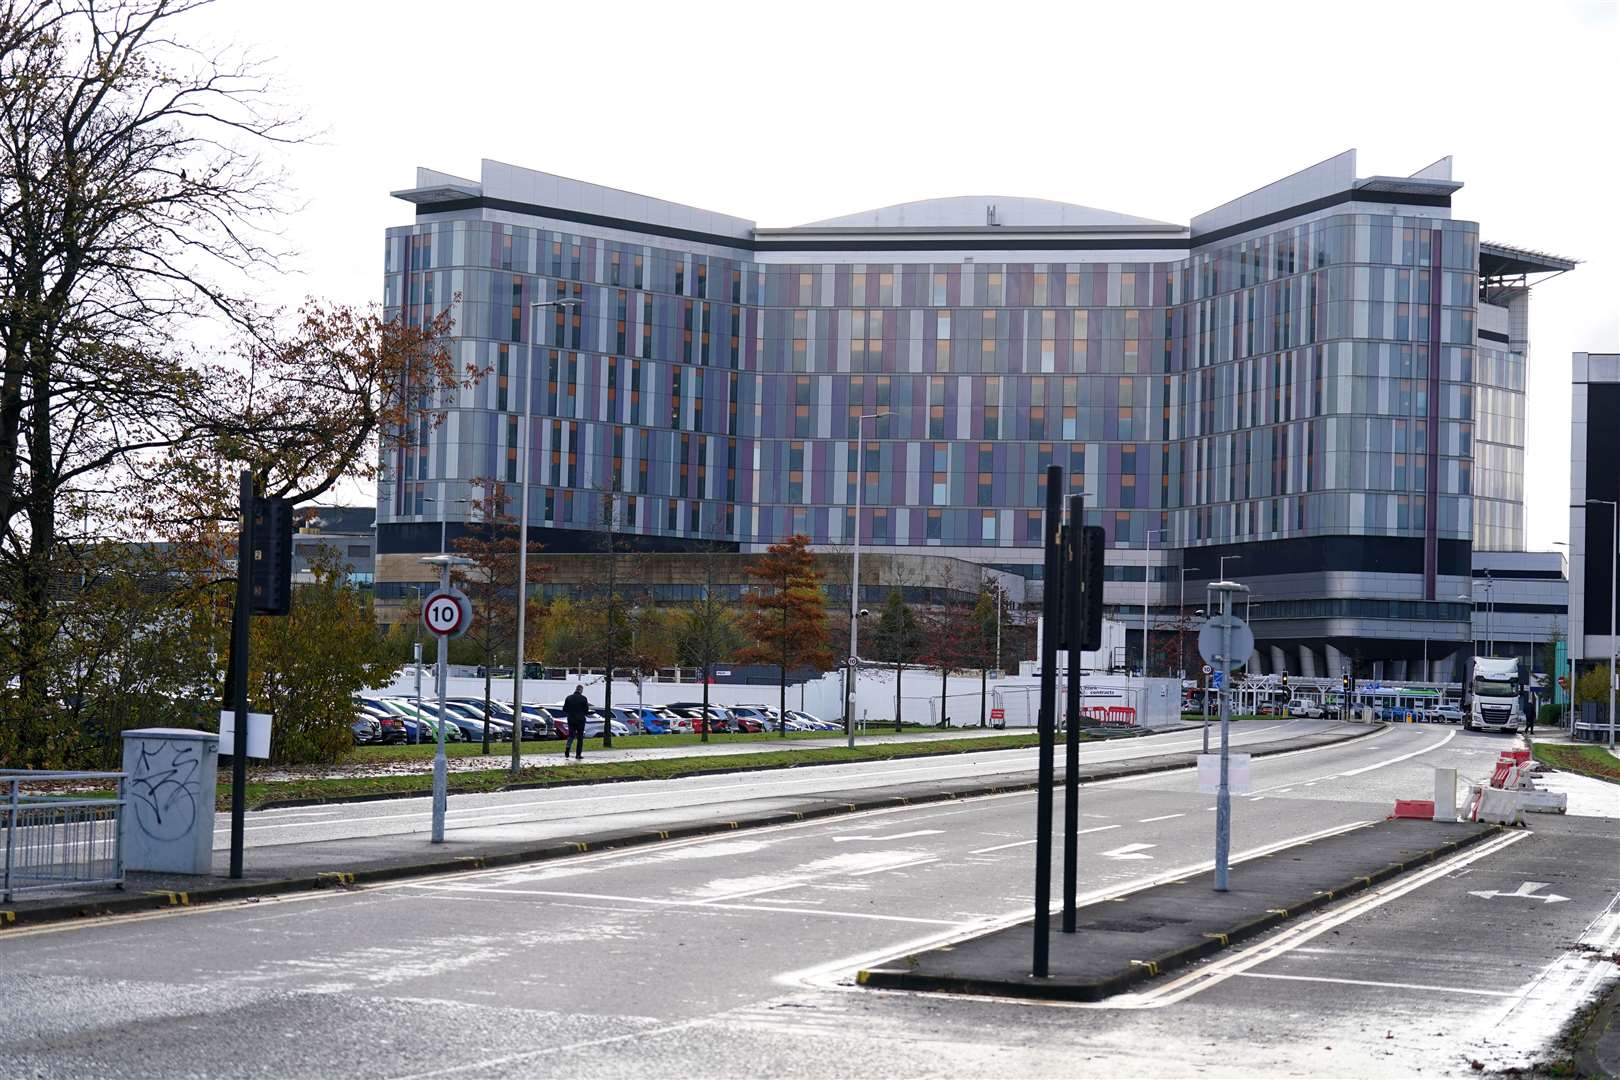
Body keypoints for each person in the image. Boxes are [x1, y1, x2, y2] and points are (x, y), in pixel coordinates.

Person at [563, 684, 590, 759]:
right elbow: (586, 710)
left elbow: (564, 709)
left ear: (575, 689)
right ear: (581, 690)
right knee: (580, 737)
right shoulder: (583, 698)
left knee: (571, 735)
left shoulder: (568, 698)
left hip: (571, 719)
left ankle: (567, 748)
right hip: (580, 720)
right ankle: (578, 754)